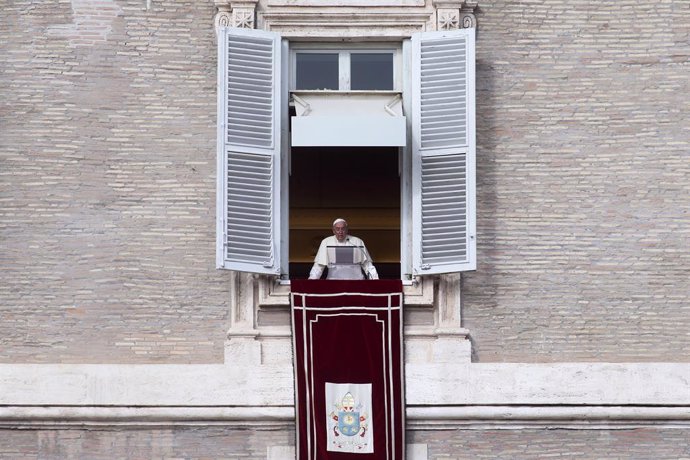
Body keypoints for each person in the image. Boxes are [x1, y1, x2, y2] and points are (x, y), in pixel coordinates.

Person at [309, 218, 379, 280]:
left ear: (347, 230)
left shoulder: (357, 241)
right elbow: (318, 267)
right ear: (333, 230)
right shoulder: (326, 242)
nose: (340, 231)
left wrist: (375, 281)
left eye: (343, 228)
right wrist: (311, 282)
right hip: (334, 282)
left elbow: (367, 265)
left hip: (356, 281)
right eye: (337, 229)